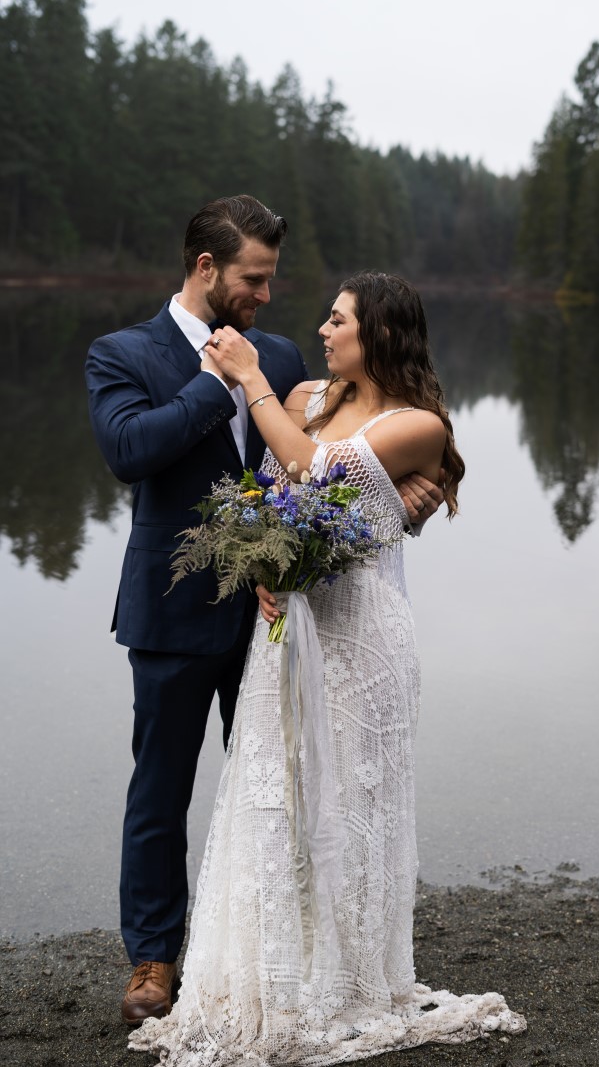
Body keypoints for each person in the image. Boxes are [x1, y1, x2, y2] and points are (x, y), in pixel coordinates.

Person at [129, 271, 526, 1064]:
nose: (321, 329)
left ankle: (344, 978)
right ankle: (274, 972)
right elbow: (271, 492)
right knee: (277, 796)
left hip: (364, 638)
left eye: (337, 319)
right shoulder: (307, 395)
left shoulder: (417, 424)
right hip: (288, 627)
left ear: (378, 333)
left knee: (351, 802)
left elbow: (314, 471)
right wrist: (263, 561)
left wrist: (249, 378)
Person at [85, 197, 443, 1026]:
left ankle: (288, 947)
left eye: (272, 278)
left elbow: (338, 459)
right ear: (206, 268)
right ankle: (153, 958)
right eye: (254, 278)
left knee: (284, 788)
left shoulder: (279, 357)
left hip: (285, 619)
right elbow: (129, 452)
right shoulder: (122, 353)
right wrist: (218, 380)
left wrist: (408, 502)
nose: (267, 295)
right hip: (173, 611)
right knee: (160, 790)